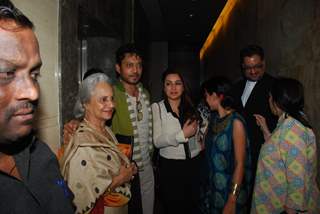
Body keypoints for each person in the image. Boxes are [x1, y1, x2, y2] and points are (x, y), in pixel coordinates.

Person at [0, 1, 75, 213]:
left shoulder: (40, 154)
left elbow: (65, 198)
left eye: (34, 74)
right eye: (7, 73)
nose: (33, 92)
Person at [64, 44, 154, 214]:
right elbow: (92, 109)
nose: (135, 70)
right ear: (118, 68)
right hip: (121, 173)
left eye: (139, 65)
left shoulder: (145, 94)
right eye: (129, 65)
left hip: (142, 165)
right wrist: (76, 123)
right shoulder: (111, 89)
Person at [60, 73, 137, 214]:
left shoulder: (107, 130)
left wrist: (128, 170)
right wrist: (120, 179)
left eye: (112, 98)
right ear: (86, 103)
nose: (112, 104)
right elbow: (81, 193)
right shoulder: (82, 144)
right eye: (103, 100)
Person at [251, 77, 320, 214]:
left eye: (270, 97)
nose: (268, 100)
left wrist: (291, 209)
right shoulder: (290, 120)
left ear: (277, 101)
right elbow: (284, 150)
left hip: (282, 207)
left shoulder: (292, 128)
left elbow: (297, 176)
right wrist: (266, 131)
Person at [151, 68, 203, 214]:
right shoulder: (157, 108)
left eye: (177, 83)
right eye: (169, 84)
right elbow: (157, 141)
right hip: (171, 168)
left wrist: (199, 143)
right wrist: (182, 134)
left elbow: (195, 135)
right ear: (164, 87)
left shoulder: (190, 106)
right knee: (174, 207)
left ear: (183, 86)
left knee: (193, 206)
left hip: (194, 164)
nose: (173, 88)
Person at [200, 76, 252, 214]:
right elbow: (206, 146)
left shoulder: (236, 123)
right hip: (213, 189)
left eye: (207, 95)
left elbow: (240, 164)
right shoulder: (214, 118)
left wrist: (232, 199)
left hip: (230, 192)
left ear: (218, 96)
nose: (205, 99)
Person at [230, 45, 277, 177]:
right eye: (248, 68)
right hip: (238, 152)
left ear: (264, 63)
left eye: (257, 66)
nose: (253, 71)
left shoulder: (274, 86)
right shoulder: (236, 87)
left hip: (263, 154)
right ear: (242, 66)